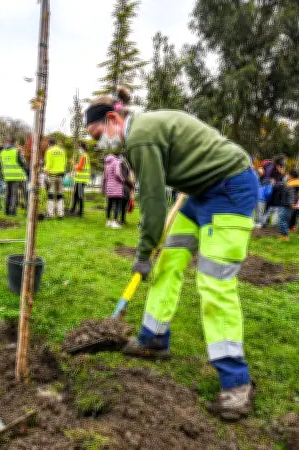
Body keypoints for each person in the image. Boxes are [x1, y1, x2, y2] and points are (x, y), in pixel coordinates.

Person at [85, 87, 258, 420]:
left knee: (214, 283)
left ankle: (237, 383)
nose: (98, 144)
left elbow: (152, 204)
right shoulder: (142, 130)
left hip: (230, 188)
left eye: (97, 136)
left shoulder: (139, 138)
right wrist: (154, 254)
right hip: (199, 193)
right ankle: (153, 338)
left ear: (112, 119)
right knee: (169, 262)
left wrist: (143, 251)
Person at [0, 138, 27, 216]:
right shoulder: (16, 152)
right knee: (14, 194)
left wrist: (3, 171)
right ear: (14, 143)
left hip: (7, 176)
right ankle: (12, 211)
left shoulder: (2, 152)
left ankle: (6, 210)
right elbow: (22, 163)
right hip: (15, 176)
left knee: (7, 193)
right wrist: (23, 159)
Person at [256, 155, 285, 228]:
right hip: (268, 187)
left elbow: (280, 178)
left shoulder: (279, 167)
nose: (285, 162)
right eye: (284, 160)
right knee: (263, 205)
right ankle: (261, 222)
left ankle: (264, 222)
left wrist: (280, 174)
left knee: (267, 206)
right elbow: (267, 177)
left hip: (273, 188)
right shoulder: (271, 166)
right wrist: (271, 180)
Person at [44, 137, 67, 219]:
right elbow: (64, 162)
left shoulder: (49, 151)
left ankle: (50, 214)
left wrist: (45, 172)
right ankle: (61, 214)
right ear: (56, 143)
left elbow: (48, 163)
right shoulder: (62, 151)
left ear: (49, 144)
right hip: (61, 175)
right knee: (60, 195)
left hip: (52, 175)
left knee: (50, 194)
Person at [277, 170, 299, 240]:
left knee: (283, 220)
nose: (286, 176)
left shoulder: (291, 185)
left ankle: (285, 236)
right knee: (285, 220)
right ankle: (283, 235)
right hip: (288, 205)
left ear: (291, 176)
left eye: (287, 175)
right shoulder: (294, 183)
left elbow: (291, 195)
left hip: (286, 205)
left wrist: (292, 203)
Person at [102, 153, 125, 229]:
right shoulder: (117, 162)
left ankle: (108, 221)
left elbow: (105, 176)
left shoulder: (107, 164)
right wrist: (122, 179)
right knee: (117, 205)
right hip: (116, 187)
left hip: (109, 187)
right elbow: (117, 174)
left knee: (109, 205)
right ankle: (114, 222)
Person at [70, 142, 90, 217]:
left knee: (79, 195)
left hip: (81, 180)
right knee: (76, 195)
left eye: (79, 148)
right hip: (80, 180)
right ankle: (73, 209)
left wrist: (73, 163)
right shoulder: (86, 156)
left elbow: (79, 168)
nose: (78, 149)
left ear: (82, 148)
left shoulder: (83, 156)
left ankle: (80, 212)